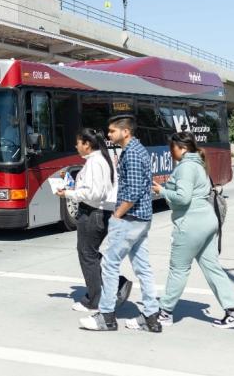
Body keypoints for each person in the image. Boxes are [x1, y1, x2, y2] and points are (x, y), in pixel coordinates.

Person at [153, 132, 234, 329]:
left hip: (190, 223)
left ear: (182, 148)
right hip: (207, 221)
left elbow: (183, 198)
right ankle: (233, 312)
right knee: (212, 267)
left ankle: (165, 312)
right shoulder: (199, 165)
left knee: (179, 269)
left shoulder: (186, 167)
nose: (171, 153)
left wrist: (162, 191)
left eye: (173, 148)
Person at [80, 115, 162, 333]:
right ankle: (151, 316)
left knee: (109, 265)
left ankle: (106, 316)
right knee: (143, 267)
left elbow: (133, 192)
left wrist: (117, 215)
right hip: (141, 219)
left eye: (112, 131)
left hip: (129, 218)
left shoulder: (133, 154)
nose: (108, 135)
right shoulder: (137, 150)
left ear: (126, 132)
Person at [56, 128, 132, 312]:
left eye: (78, 143)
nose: (76, 146)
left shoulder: (95, 162)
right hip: (100, 212)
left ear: (87, 144)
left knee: (87, 255)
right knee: (89, 252)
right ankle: (115, 283)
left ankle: (94, 299)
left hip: (93, 213)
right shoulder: (101, 159)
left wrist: (68, 193)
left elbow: (95, 193)